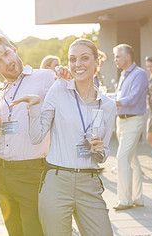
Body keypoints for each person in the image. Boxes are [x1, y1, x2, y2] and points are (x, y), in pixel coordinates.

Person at [12, 38, 115, 235]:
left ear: (97, 62)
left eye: (84, 58)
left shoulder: (108, 106)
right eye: (72, 59)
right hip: (56, 181)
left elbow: (104, 152)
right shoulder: (59, 89)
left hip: (89, 182)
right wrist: (34, 107)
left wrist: (101, 152)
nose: (78, 64)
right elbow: (36, 137)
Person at [0, 35, 56, 236]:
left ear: (13, 48)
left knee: (33, 231)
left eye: (6, 53)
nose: (7, 62)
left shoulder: (45, 77)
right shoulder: (2, 92)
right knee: (14, 232)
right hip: (2, 173)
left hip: (31, 172)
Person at [112, 44, 148, 210]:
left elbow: (132, 99)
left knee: (121, 158)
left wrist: (112, 102)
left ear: (128, 57)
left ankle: (125, 201)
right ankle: (138, 198)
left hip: (133, 120)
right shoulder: (123, 75)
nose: (115, 59)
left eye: (118, 56)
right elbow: (120, 96)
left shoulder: (139, 74)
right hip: (121, 120)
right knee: (132, 159)